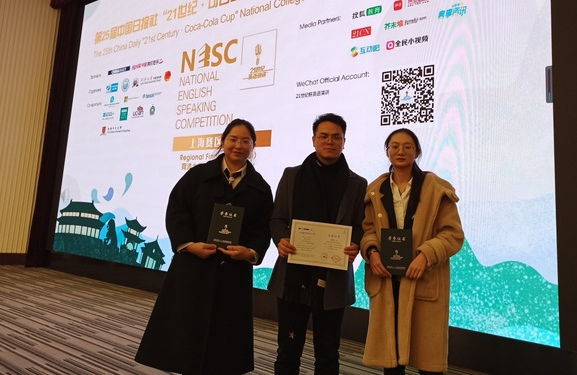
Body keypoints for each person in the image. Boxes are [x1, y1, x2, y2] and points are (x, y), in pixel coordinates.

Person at [135, 119, 273, 375]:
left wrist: (250, 252)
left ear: (253, 146)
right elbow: (177, 211)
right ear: (223, 142)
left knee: (225, 338)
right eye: (233, 139)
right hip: (193, 267)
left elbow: (263, 228)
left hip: (234, 271)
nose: (238, 145)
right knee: (187, 331)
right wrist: (189, 245)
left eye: (245, 141)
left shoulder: (261, 188)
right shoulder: (197, 176)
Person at [268, 113, 367, 375]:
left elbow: (361, 225)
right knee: (288, 350)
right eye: (323, 136)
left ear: (344, 141)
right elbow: (277, 218)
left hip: (332, 277)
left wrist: (355, 243)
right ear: (314, 140)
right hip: (293, 275)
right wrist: (281, 239)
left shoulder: (357, 184)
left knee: (328, 352)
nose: (329, 141)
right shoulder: (292, 176)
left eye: (336, 137)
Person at [360, 128, 464, 375]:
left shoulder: (436, 189)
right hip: (387, 280)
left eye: (408, 146)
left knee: (428, 362)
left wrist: (426, 255)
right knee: (391, 362)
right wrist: (372, 252)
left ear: (417, 152)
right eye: (394, 146)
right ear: (387, 152)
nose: (401, 151)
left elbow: (453, 234)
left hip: (422, 278)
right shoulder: (375, 189)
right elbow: (367, 230)